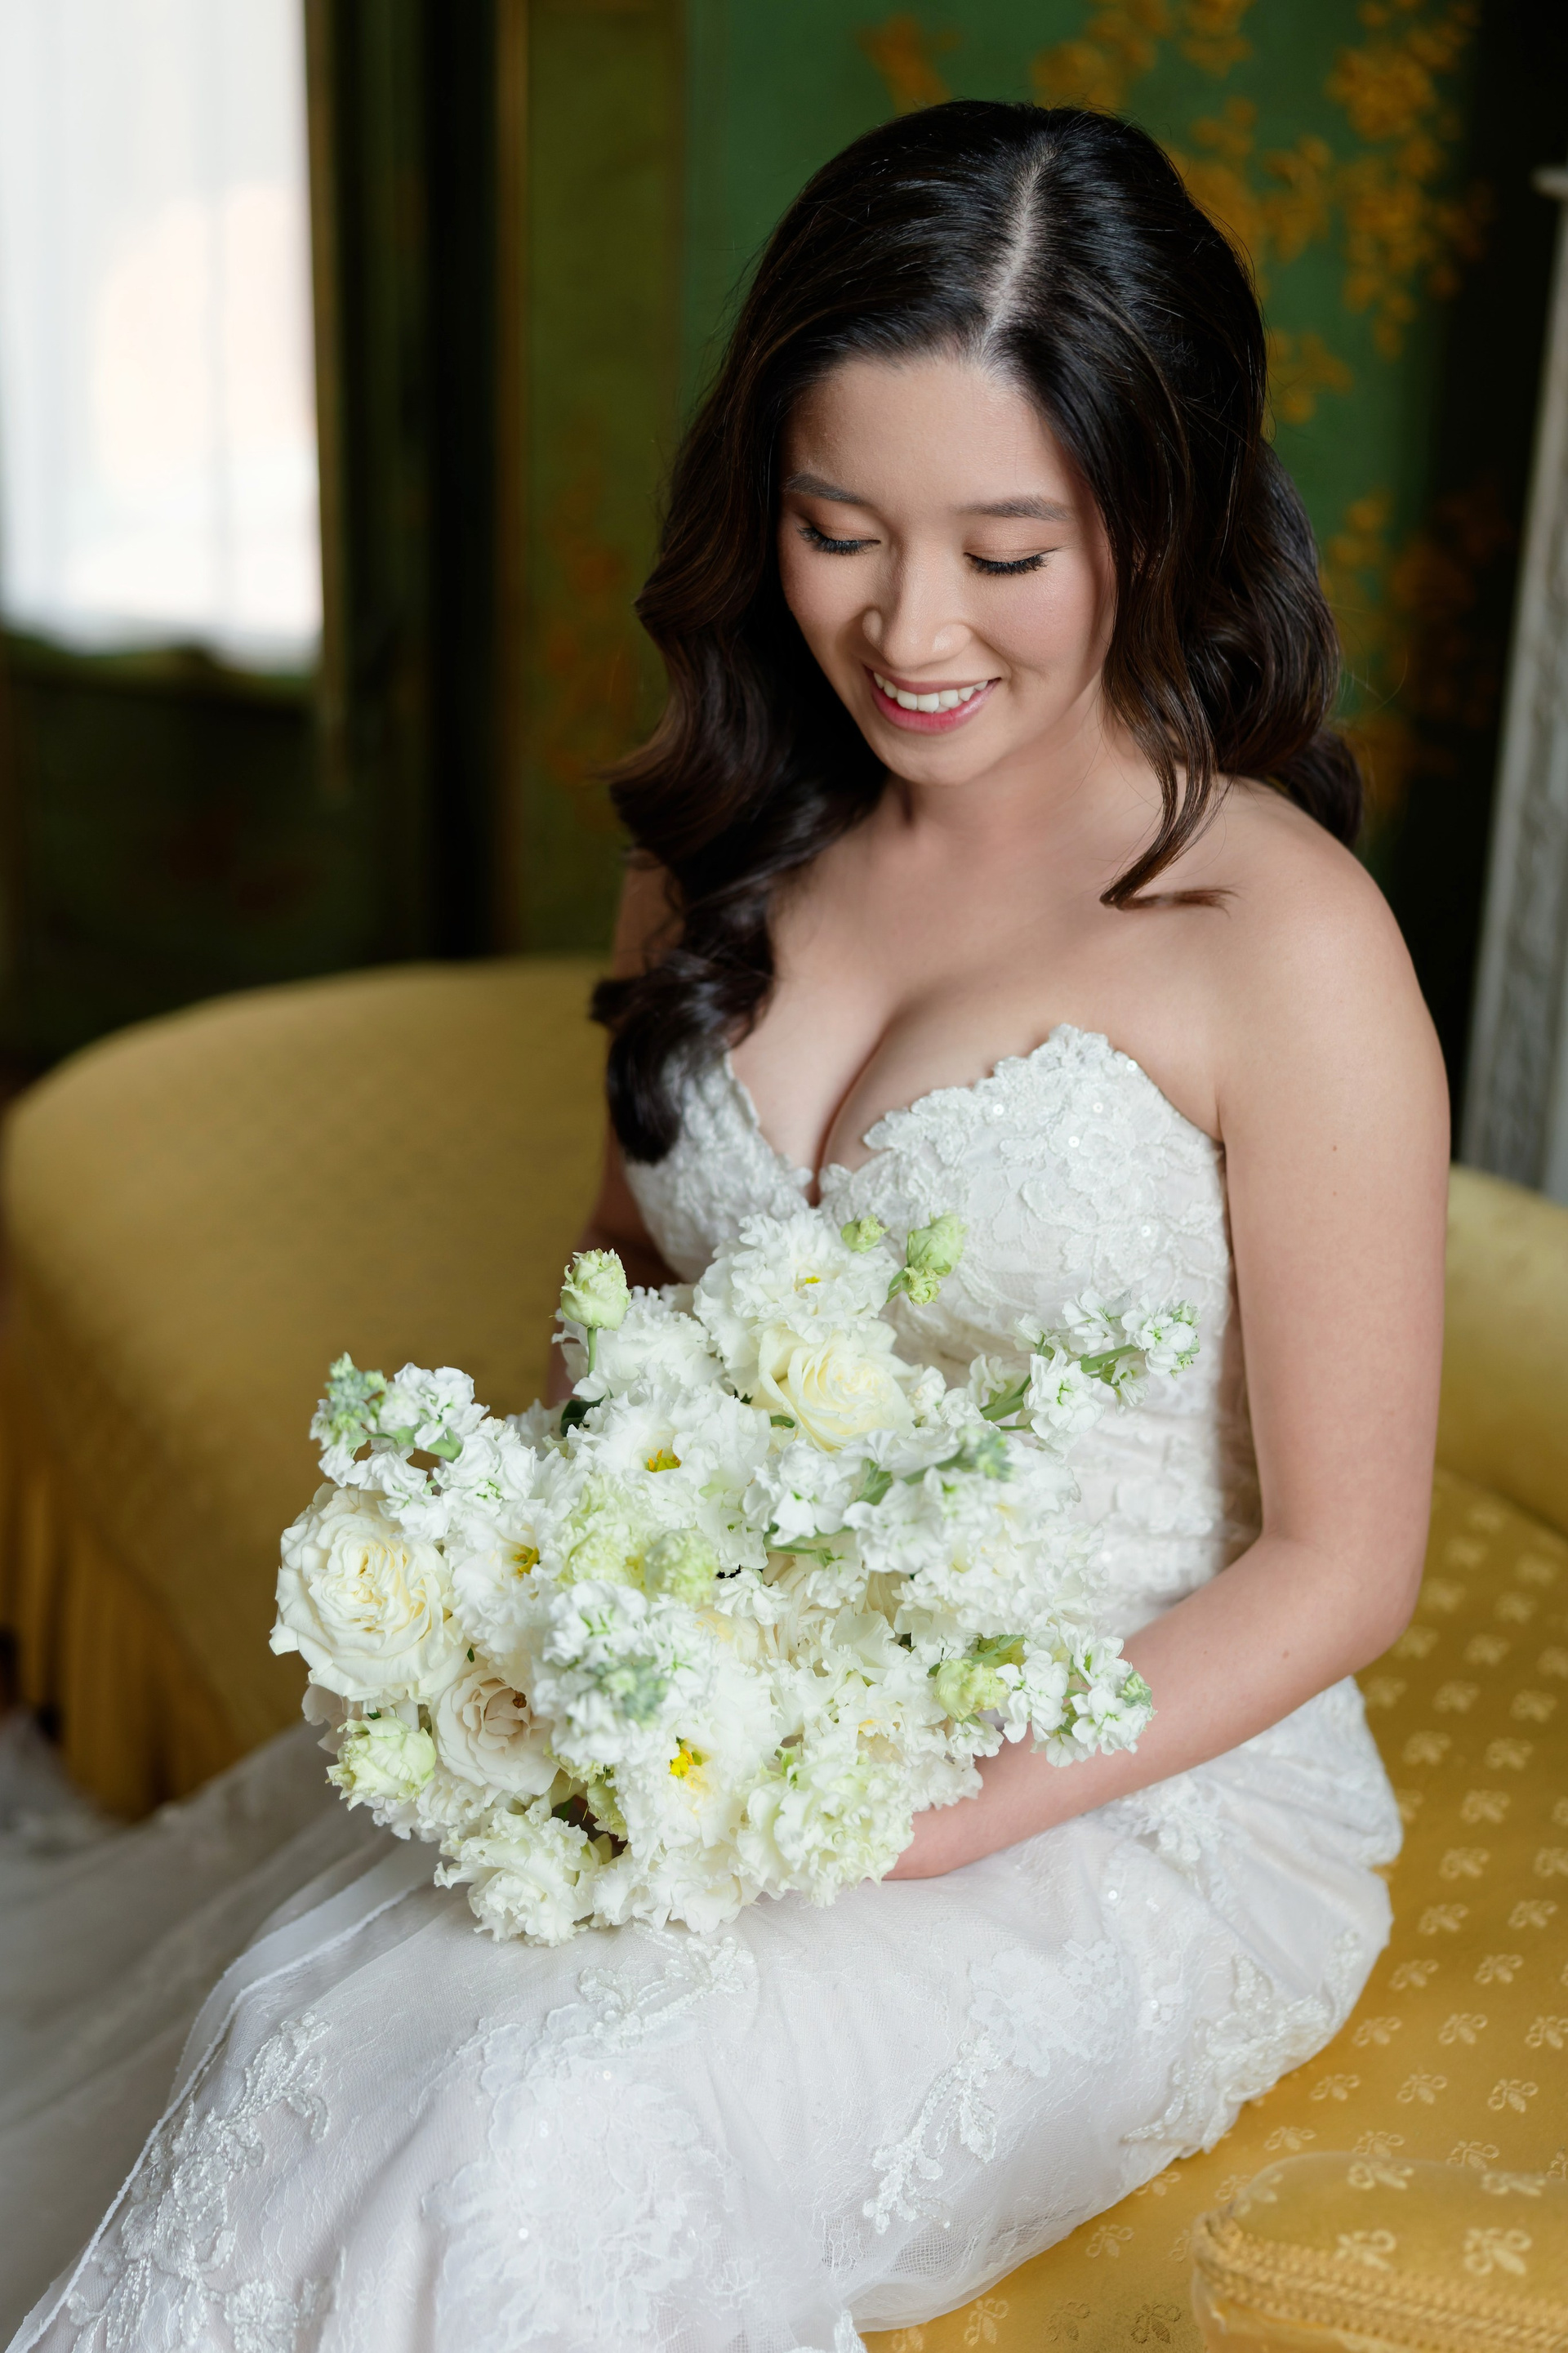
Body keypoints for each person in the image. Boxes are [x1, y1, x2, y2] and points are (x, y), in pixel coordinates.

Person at [2, 101, 1446, 2353]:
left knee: (522, 2123)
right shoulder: (720, 835)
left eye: (1008, 552)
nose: (908, 630)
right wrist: (559, 1614)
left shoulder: (1282, 938)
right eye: (836, 528)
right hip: (712, 1708)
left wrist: (919, 1818)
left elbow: (1345, 1565)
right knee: (296, 2025)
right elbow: (629, 1282)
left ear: (1155, 519)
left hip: (1117, 1794)